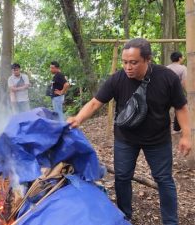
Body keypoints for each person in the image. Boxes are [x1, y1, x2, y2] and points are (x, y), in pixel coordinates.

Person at [67, 38, 191, 225]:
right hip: (126, 139)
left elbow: (181, 107)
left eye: (133, 62)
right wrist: (78, 118)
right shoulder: (117, 79)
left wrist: (187, 135)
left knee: (164, 180)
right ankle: (125, 216)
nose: (128, 67)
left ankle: (170, 221)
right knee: (122, 177)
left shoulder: (167, 77)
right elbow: (95, 102)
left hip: (158, 139)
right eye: (125, 62)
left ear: (147, 59)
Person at [167, 51, 187, 133]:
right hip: (177, 92)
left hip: (166, 92)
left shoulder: (166, 68)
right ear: (179, 58)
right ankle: (177, 128)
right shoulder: (183, 68)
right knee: (179, 109)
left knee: (165, 110)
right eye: (182, 57)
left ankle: (166, 129)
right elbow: (184, 82)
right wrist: (187, 93)